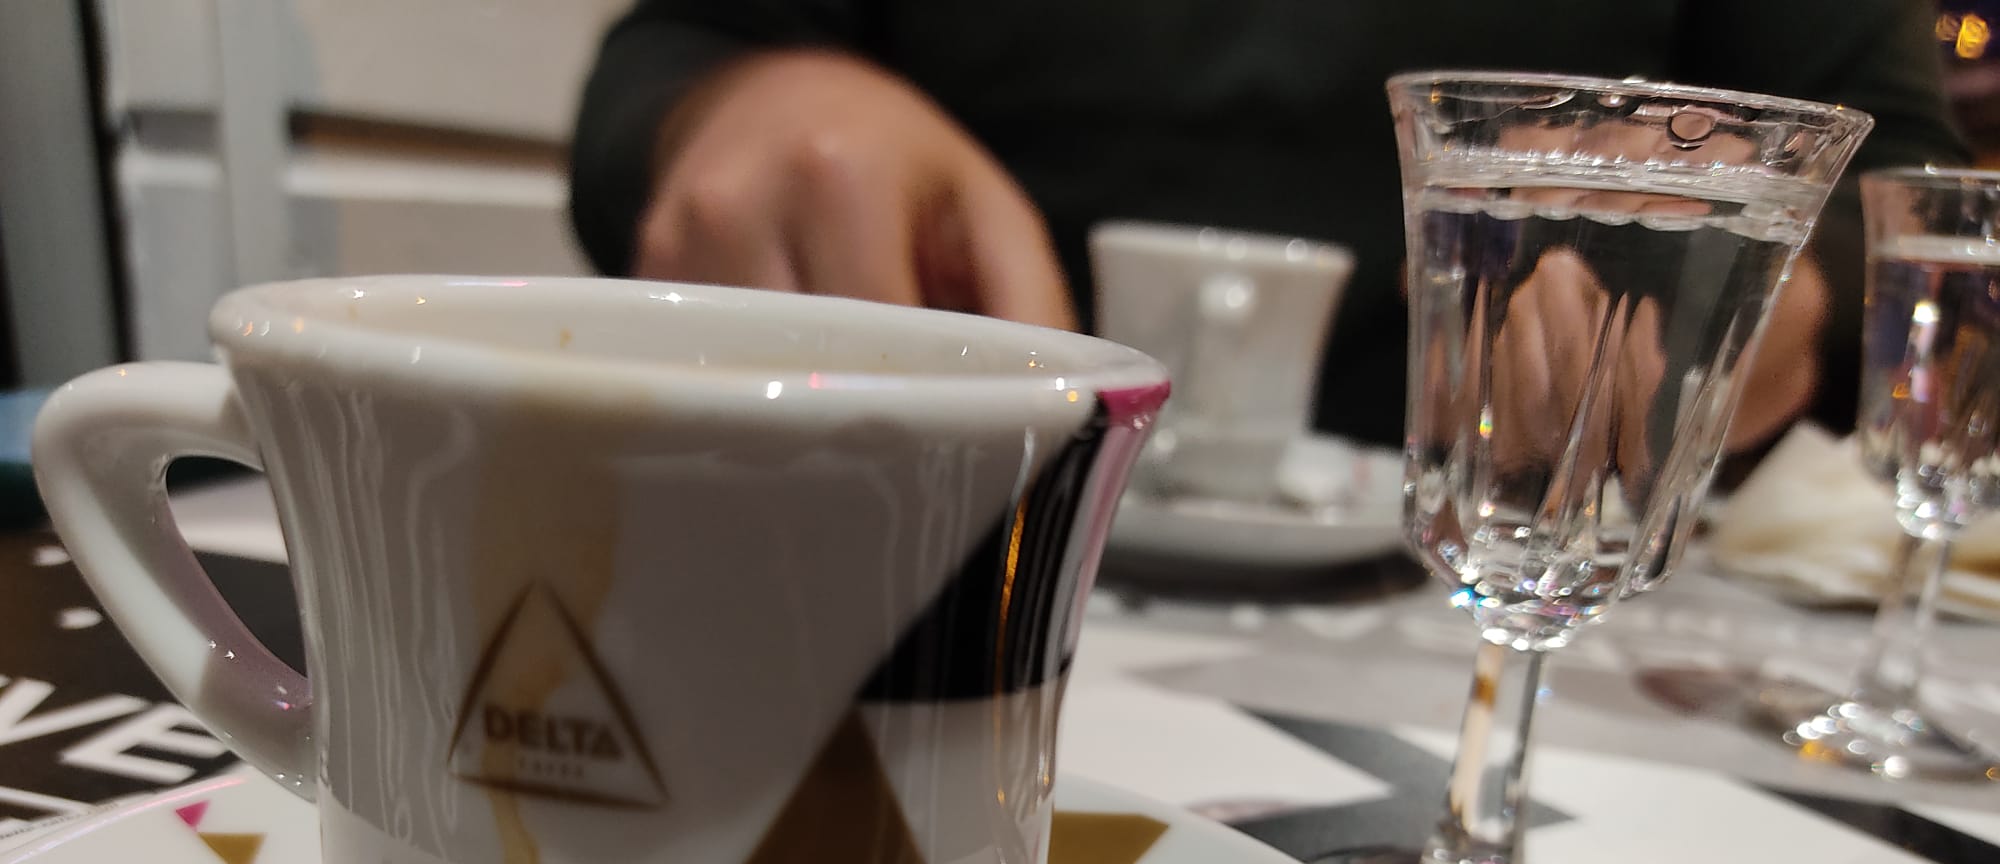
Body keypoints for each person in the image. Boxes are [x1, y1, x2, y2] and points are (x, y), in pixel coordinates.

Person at [569, 1, 1966, 454]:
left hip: (1516, 516)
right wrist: (739, 99)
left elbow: (1898, 176)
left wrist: (1785, 284)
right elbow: (678, 44)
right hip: (913, 503)